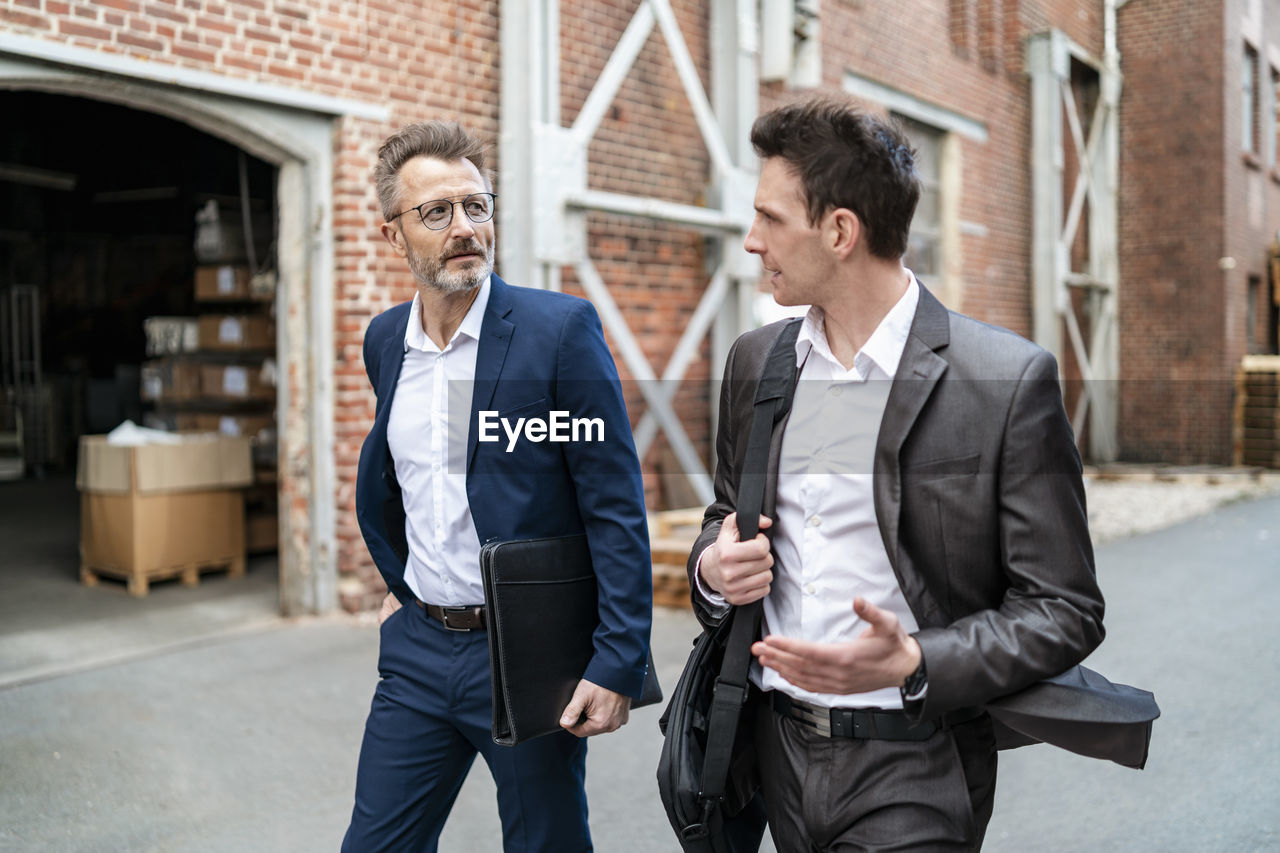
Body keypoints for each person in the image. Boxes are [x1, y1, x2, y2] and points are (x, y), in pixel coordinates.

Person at [688, 97, 1107, 850]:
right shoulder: (757, 362)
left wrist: (919, 657)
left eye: (771, 219)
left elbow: (1065, 608)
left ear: (841, 230)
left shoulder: (1005, 381)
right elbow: (722, 518)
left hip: (915, 761)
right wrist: (715, 567)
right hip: (775, 752)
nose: (751, 241)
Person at [345, 120, 653, 852]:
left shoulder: (558, 332)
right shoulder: (387, 342)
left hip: (526, 655)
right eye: (437, 212)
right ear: (395, 236)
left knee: (544, 841)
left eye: (476, 206)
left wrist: (616, 658)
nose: (464, 228)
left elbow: (613, 505)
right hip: (418, 651)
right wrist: (403, 586)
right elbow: (401, 481)